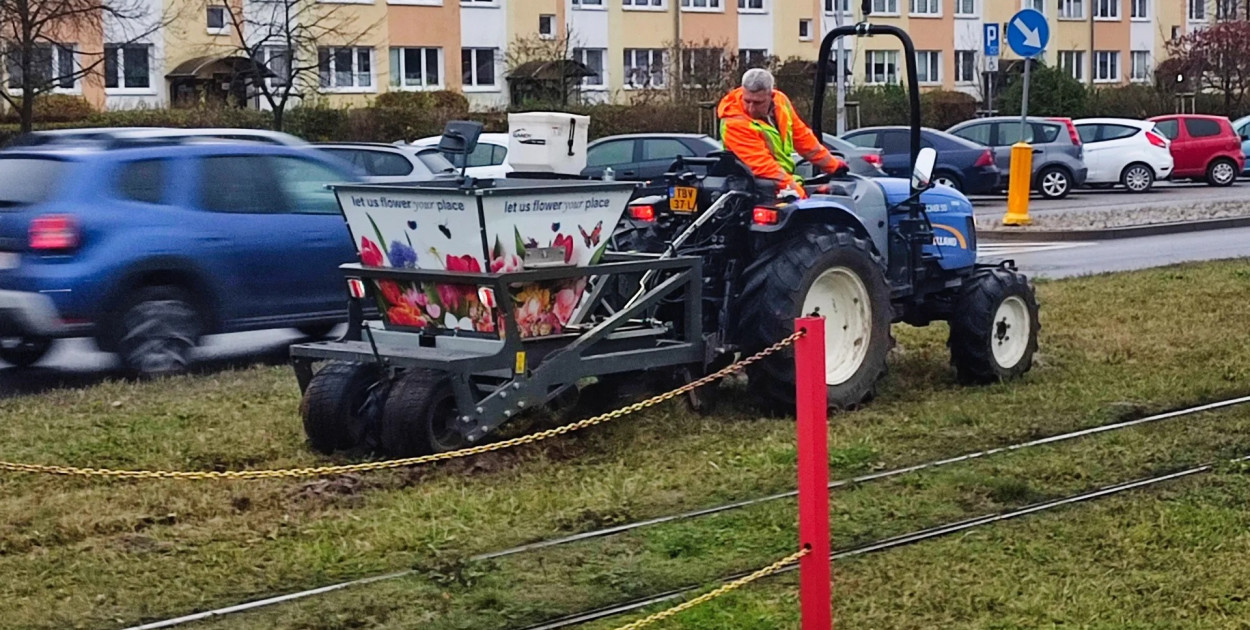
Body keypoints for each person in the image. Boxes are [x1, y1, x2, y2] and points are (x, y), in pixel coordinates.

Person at [717, 68, 848, 199]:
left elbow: (803, 139)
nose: (751, 108)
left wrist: (833, 165)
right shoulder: (734, 121)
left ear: (771, 94)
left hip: (780, 183)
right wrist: (799, 194)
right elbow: (762, 167)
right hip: (756, 188)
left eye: (758, 103)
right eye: (747, 101)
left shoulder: (781, 102)